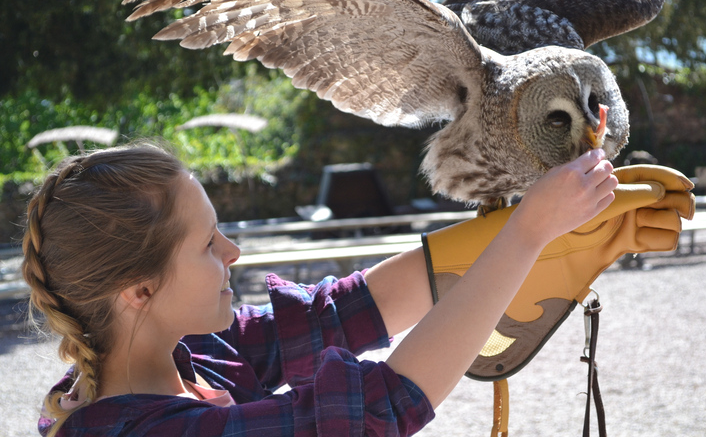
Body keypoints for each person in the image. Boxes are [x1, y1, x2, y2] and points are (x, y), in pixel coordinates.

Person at [24, 142, 619, 436]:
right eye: (207, 243)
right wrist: (528, 234)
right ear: (139, 291)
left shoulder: (192, 354)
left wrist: (556, 231)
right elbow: (379, 410)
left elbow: (344, 312)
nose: (233, 251)